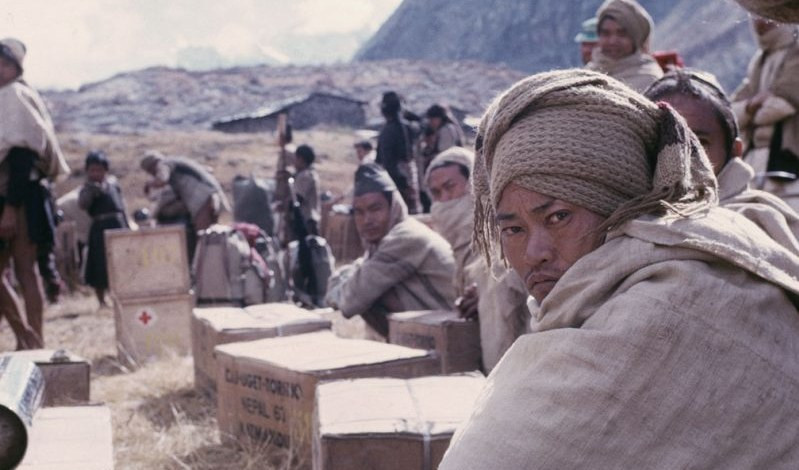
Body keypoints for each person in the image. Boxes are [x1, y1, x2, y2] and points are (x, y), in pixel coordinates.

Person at [439, 69, 799, 468]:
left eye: (559, 217)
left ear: (621, 206)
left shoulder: (672, 303)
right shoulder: (594, 301)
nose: (535, 252)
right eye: (513, 229)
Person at [646, 69, 799, 248]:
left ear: (734, 151)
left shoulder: (765, 223)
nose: (681, 155)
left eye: (701, 143)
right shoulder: (623, 220)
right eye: (664, 140)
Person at [425, 147, 529, 372]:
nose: (444, 200)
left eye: (450, 187)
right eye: (436, 193)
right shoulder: (460, 250)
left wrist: (486, 291)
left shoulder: (503, 234)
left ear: (475, 183)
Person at [325, 163, 455, 337]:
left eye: (375, 209)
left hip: (454, 331)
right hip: (437, 329)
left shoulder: (406, 237)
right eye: (359, 212)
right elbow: (360, 271)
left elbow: (350, 302)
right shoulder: (383, 243)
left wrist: (342, 287)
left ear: (394, 207)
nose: (367, 220)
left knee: (372, 295)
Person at [0, 37, 70, 349]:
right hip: (13, 195)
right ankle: (27, 339)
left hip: (18, 196)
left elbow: (22, 156)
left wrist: (11, 208)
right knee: (22, 272)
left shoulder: (14, 96)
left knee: (26, 270)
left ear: (16, 68)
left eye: (5, 64)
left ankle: (32, 341)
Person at [730, 15, 799, 213]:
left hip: (788, 161)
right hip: (757, 162)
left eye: (767, 16)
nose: (760, 22)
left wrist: (750, 111)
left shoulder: (796, 54)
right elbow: (732, 112)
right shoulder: (759, 61)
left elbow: (776, 109)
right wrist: (753, 105)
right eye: (756, 17)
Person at [140, 151, 229, 258]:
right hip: (210, 195)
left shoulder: (164, 164)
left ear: (151, 166)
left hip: (201, 197)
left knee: (203, 236)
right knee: (211, 235)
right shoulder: (175, 162)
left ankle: (207, 266)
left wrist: (149, 185)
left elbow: (162, 180)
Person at [78, 151, 129, 306]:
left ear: (105, 170)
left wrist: (127, 226)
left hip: (118, 225)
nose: (95, 173)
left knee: (120, 262)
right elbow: (83, 205)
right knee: (100, 263)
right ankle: (101, 300)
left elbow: (121, 206)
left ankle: (121, 295)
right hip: (100, 229)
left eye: (99, 170)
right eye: (92, 170)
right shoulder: (87, 189)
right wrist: (92, 190)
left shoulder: (113, 185)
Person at [586, 0, 663, 92]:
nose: (612, 41)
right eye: (606, 33)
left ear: (635, 39)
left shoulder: (650, 80)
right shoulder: (588, 73)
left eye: (622, 34)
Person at [376, 91, 420, 214]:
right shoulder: (407, 127)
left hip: (395, 178)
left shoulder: (387, 131)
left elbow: (383, 161)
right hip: (401, 177)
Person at [292, 144, 321, 236]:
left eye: (296, 158)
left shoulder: (305, 176)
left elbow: (297, 199)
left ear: (301, 159)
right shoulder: (308, 173)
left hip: (306, 220)